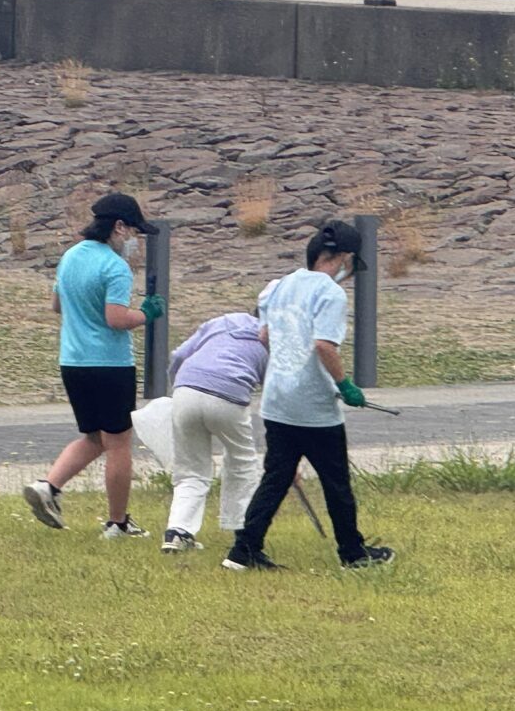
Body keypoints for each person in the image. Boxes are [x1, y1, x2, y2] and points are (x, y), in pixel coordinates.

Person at [223, 221, 393, 571]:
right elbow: (323, 345)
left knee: (277, 477)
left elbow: (265, 336)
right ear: (344, 257)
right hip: (314, 406)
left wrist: (287, 361)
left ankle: (244, 549)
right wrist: (345, 385)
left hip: (277, 401)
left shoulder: (278, 286)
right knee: (336, 483)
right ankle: (353, 553)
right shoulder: (330, 293)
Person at [22, 192, 165, 538]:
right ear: (117, 227)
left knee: (95, 437)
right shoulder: (114, 266)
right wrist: (146, 314)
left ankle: (50, 487)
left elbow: (56, 305)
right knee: (119, 443)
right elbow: (116, 318)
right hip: (110, 364)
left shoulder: (70, 256)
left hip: (73, 361)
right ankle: (117, 522)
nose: (132, 240)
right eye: (131, 231)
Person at [159, 308, 268, 553]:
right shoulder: (273, 337)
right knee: (242, 462)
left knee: (191, 469)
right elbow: (274, 389)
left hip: (185, 389)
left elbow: (179, 354)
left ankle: (177, 531)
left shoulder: (223, 322)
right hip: (229, 396)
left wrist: (179, 385)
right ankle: (241, 530)